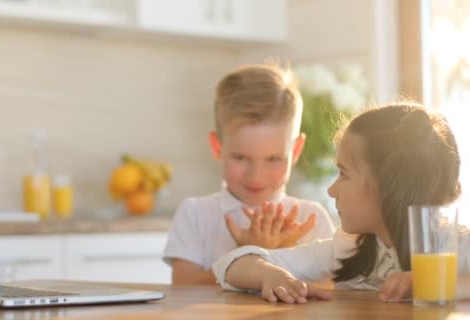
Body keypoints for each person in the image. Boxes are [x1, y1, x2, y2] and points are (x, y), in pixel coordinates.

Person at [212, 103, 462, 303]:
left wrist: (439, 281)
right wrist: (270, 274)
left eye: (344, 174)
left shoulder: (457, 249)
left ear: (388, 187)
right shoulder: (346, 249)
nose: (332, 190)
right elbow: (230, 265)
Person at [164, 63, 336, 285]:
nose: (256, 176)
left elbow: (332, 292)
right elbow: (183, 288)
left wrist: (282, 255)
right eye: (241, 158)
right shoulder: (195, 214)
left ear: (295, 151)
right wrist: (247, 255)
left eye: (274, 159)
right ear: (217, 147)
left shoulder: (312, 219)